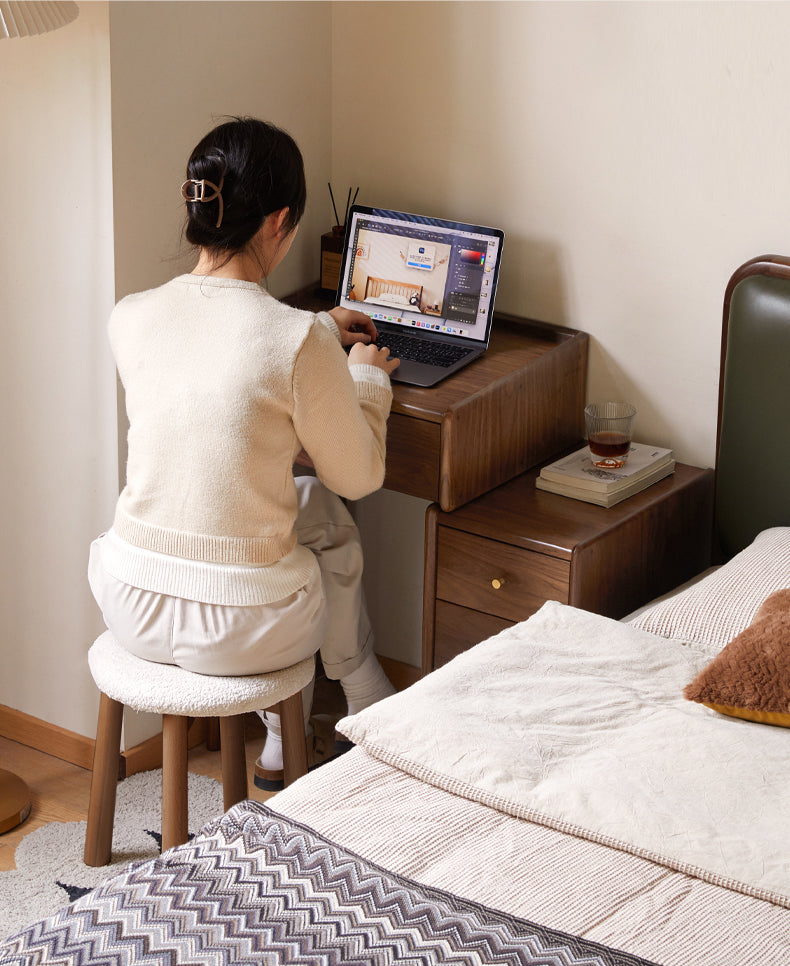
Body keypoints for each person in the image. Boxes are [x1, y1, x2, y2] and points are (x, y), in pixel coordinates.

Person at [88, 117, 400, 789]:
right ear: (279, 222)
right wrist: (367, 378)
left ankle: (279, 742)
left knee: (303, 508)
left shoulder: (130, 316)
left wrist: (316, 330)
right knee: (329, 512)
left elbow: (214, 358)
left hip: (130, 600)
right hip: (240, 628)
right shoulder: (293, 343)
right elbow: (361, 474)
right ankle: (357, 697)